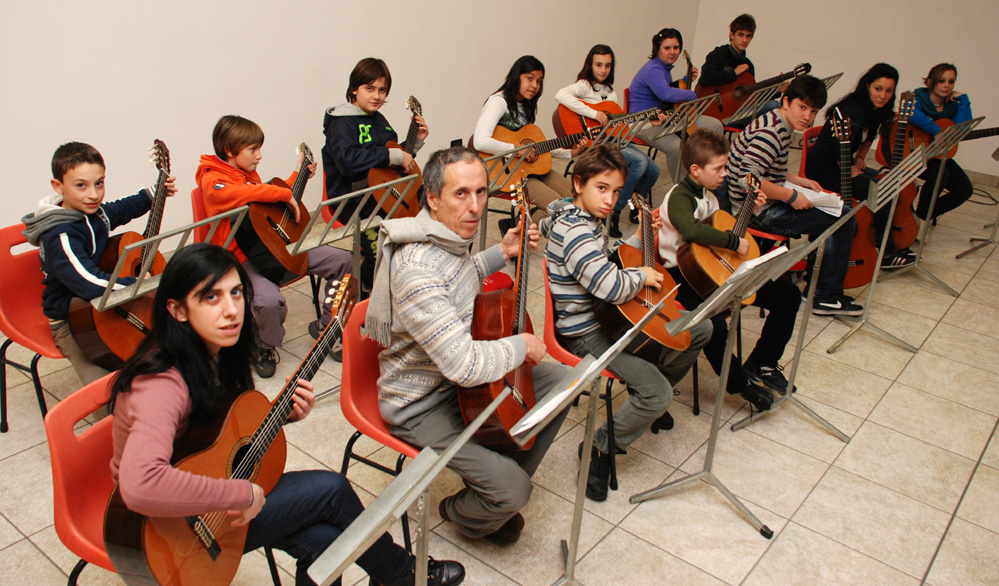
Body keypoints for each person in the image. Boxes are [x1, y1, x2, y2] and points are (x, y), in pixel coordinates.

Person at [107, 243, 464, 586]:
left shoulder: (213, 352)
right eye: (211, 297)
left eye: (236, 293)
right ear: (178, 310)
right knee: (332, 490)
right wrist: (240, 495)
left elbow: (215, 434)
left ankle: (399, 574)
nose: (231, 310)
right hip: (171, 528)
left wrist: (284, 416)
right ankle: (402, 574)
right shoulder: (160, 383)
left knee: (327, 543)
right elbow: (141, 485)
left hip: (204, 502)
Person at [369, 146, 570, 543]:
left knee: (562, 384)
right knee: (514, 491)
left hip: (455, 383)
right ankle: (462, 510)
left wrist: (502, 252)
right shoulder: (417, 268)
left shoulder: (443, 238)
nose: (475, 207)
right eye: (461, 193)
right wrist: (521, 345)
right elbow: (463, 364)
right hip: (421, 403)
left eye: (481, 192)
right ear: (432, 198)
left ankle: (498, 473)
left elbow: (458, 278)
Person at [541, 144, 711, 501]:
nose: (610, 200)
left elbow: (606, 257)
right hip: (585, 331)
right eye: (601, 188)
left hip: (606, 317)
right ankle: (600, 447)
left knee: (699, 329)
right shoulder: (575, 231)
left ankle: (645, 397)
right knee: (658, 393)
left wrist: (638, 238)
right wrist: (641, 275)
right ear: (578, 183)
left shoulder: (586, 219)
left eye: (617, 191)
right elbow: (611, 286)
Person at [196, 115, 352, 378]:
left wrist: (299, 175)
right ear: (230, 151)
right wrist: (282, 193)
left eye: (259, 148)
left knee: (343, 261)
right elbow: (244, 194)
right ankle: (264, 345)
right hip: (240, 258)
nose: (259, 156)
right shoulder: (212, 180)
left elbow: (270, 198)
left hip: (271, 246)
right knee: (269, 301)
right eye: (252, 149)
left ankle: (328, 326)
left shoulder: (247, 173)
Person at [658, 130, 800, 409]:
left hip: (712, 269)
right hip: (681, 276)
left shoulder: (710, 198)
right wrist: (734, 242)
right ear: (696, 170)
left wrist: (751, 211)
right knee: (715, 325)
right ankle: (739, 384)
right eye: (719, 168)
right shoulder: (679, 196)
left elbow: (722, 231)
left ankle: (762, 362)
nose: (725, 173)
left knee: (788, 295)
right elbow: (691, 231)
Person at [22, 141, 177, 385]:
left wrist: (154, 193)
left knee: (167, 346)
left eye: (99, 183)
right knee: (105, 388)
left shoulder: (95, 213)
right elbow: (89, 282)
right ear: (58, 186)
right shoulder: (60, 237)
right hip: (71, 319)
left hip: (103, 304)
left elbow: (121, 209)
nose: (94, 194)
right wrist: (135, 284)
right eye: (81, 185)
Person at [717, 75, 862, 317]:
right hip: (755, 211)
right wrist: (791, 196)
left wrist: (795, 180)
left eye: (813, 111)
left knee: (836, 212)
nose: (807, 116)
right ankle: (824, 295)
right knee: (844, 219)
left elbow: (765, 168)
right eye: (802, 107)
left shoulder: (776, 120)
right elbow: (747, 178)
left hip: (760, 202)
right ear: (786, 102)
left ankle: (818, 282)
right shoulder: (772, 132)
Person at [322, 57, 429, 292]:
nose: (377, 96)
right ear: (354, 89)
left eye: (382, 90)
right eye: (369, 88)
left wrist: (414, 144)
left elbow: (388, 166)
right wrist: (395, 155)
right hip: (354, 200)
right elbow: (348, 163)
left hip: (383, 192)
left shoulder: (379, 120)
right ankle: (366, 289)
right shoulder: (341, 123)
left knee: (436, 213)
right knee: (383, 253)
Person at [805, 63, 914, 269]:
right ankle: (886, 253)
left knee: (887, 183)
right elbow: (839, 147)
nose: (883, 95)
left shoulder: (874, 110)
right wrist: (847, 168)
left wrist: (861, 157)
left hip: (842, 163)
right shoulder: (854, 111)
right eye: (878, 89)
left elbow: (869, 136)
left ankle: (880, 240)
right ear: (867, 86)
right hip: (826, 170)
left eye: (889, 91)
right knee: (882, 192)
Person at [555, 44, 660, 238]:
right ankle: (614, 211)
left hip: (611, 139)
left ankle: (637, 204)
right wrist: (593, 113)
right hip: (594, 144)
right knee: (639, 162)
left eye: (608, 66)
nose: (603, 70)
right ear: (590, 65)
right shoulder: (584, 85)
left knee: (653, 169)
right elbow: (560, 95)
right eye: (599, 65)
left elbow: (621, 126)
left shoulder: (611, 93)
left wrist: (650, 123)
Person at [471, 55, 584, 225]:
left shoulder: (526, 105)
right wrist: (517, 149)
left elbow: (534, 145)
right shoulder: (498, 102)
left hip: (527, 169)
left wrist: (568, 153)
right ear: (516, 76)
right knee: (557, 206)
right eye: (530, 78)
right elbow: (480, 141)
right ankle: (516, 230)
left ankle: (515, 225)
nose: (535, 85)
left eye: (539, 81)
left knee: (575, 198)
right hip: (505, 173)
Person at [628, 28, 724, 181]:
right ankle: (681, 187)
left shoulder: (663, 67)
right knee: (676, 147)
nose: (672, 52)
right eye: (667, 48)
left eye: (676, 47)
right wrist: (691, 94)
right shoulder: (653, 69)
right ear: (657, 49)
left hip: (665, 117)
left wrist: (686, 80)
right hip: (643, 123)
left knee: (715, 125)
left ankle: (708, 175)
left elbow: (668, 91)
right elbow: (665, 94)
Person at [908, 63, 974, 222]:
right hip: (913, 153)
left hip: (937, 155)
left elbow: (963, 128)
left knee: (964, 189)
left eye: (951, 81)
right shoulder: (917, 98)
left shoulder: (951, 107)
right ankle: (922, 213)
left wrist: (963, 99)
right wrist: (936, 131)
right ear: (930, 81)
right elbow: (910, 112)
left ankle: (923, 213)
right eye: (941, 81)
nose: (947, 85)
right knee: (940, 174)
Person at [696, 14, 780, 128]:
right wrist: (734, 73)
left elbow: (751, 98)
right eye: (741, 34)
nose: (744, 40)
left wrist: (775, 91)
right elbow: (705, 79)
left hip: (739, 113)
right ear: (731, 35)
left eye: (748, 36)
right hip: (715, 114)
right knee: (773, 105)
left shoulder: (748, 65)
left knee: (774, 105)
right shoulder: (717, 55)